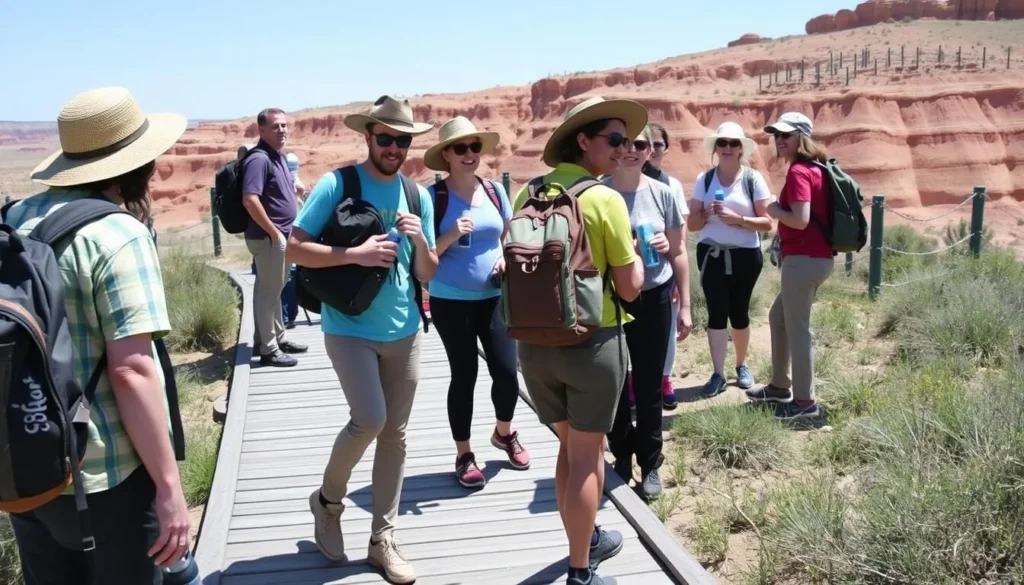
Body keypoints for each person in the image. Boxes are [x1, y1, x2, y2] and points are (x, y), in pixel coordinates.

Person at [5, 86, 191, 584]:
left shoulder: (15, 220)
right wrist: (170, 488)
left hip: (27, 466)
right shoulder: (118, 234)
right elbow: (132, 369)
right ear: (136, 164)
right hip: (107, 478)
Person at [288, 95, 438, 584]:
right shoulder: (338, 183)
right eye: (386, 138)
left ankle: (382, 539)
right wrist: (355, 254)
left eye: (403, 140)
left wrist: (419, 242)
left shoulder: (418, 197)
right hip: (349, 328)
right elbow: (295, 248)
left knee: (394, 435)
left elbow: (428, 272)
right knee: (369, 419)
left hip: (406, 330)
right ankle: (328, 502)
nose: (394, 148)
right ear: (368, 136)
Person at [513, 96, 647, 585]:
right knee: (590, 457)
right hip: (592, 342)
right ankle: (579, 572)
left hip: (533, 342)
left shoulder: (526, 193)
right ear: (584, 141)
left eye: (627, 142)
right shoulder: (604, 198)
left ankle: (585, 538)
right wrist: (635, 252)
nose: (623, 149)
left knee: (568, 450)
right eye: (614, 140)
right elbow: (630, 288)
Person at [422, 116, 530, 489]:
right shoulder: (433, 198)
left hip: (495, 296)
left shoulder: (495, 191)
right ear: (446, 155)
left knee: (506, 371)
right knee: (464, 375)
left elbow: (509, 232)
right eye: (461, 148)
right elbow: (423, 257)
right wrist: (450, 234)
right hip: (451, 301)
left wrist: (506, 257)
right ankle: (464, 453)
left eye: (475, 147)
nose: (470, 154)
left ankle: (504, 432)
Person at [604, 125, 692, 501]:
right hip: (609, 298)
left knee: (650, 382)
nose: (630, 150)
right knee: (614, 381)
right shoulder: (598, 193)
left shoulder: (663, 193)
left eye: (639, 144)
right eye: (622, 143)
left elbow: (679, 251)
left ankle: (651, 461)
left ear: (649, 150)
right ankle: (622, 455)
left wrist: (685, 304)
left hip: (655, 296)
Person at [750, 112, 832, 420]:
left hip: (802, 261)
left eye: (786, 135)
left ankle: (804, 402)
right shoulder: (818, 169)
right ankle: (779, 385)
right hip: (816, 259)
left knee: (798, 329)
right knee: (778, 317)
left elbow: (800, 219)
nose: (779, 140)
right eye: (777, 136)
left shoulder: (799, 172)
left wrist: (773, 208)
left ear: (802, 138)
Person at [687, 122, 774, 398]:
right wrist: (707, 214)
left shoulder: (753, 179)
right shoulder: (705, 180)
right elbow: (692, 224)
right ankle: (718, 373)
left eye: (733, 143)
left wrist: (740, 220)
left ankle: (741, 365)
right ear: (715, 147)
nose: (727, 148)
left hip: (746, 255)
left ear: (740, 149)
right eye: (722, 143)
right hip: (712, 253)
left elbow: (767, 223)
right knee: (716, 311)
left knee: (739, 311)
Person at [241, 108, 307, 367]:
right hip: (269, 238)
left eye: (284, 126)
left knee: (276, 289)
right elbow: (250, 199)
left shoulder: (276, 157)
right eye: (275, 126)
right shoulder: (258, 159)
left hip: (279, 238)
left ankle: (277, 338)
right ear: (262, 130)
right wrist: (274, 232)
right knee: (268, 292)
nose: (282, 130)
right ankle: (268, 349)